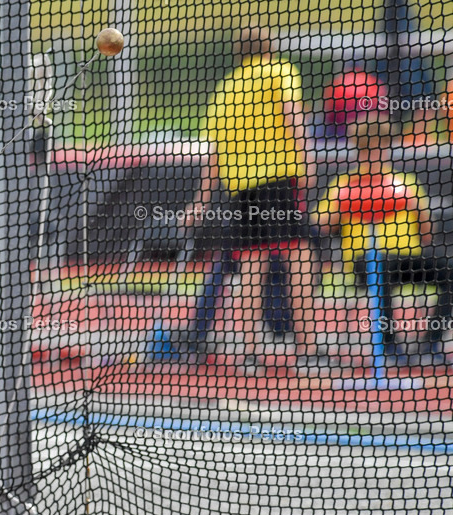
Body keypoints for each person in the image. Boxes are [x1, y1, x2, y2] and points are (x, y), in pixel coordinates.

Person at [178, 26, 335, 374]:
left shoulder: (223, 90)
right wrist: (308, 162)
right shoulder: (279, 70)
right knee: (301, 259)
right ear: (270, 47)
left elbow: (215, 156)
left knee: (250, 267)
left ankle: (250, 354)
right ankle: (307, 351)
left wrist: (200, 202)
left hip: (241, 191)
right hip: (278, 182)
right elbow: (294, 118)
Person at [311, 113, 451, 367]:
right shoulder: (344, 183)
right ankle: (388, 347)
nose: (373, 155)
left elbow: (428, 233)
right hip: (364, 262)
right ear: (358, 151)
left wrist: (416, 208)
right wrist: (344, 204)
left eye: (379, 147)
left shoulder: (404, 182)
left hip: (408, 260)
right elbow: (320, 224)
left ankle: (431, 342)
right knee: (381, 268)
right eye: (367, 149)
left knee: (449, 271)